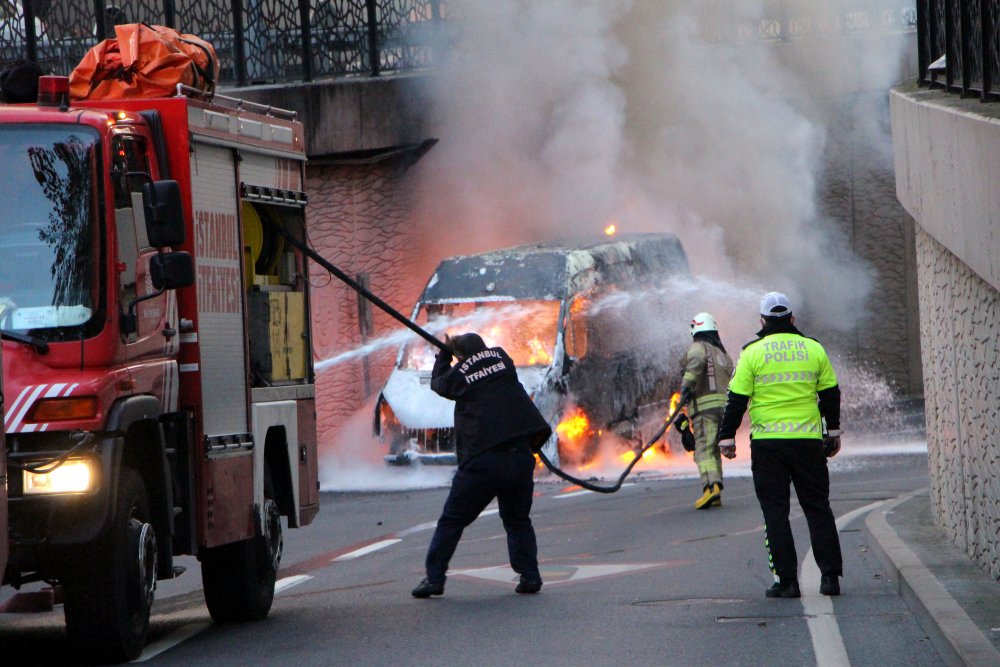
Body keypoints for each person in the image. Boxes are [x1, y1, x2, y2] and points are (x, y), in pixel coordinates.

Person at [717, 292, 843, 599]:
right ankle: (830, 579)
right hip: (808, 444)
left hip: (768, 446)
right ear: (792, 319)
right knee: (818, 508)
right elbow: (830, 394)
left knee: (775, 512)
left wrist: (727, 437)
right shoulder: (813, 349)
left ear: (762, 321)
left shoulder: (752, 352)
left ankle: (787, 582)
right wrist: (833, 432)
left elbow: (737, 400)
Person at [412, 332, 552, 598]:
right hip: (519, 456)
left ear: (460, 357)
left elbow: (440, 384)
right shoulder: (503, 359)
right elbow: (482, 367)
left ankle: (434, 580)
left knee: (452, 521)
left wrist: (443, 356)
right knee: (518, 520)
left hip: (483, 460)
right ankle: (530, 576)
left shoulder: (460, 375)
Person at [678, 312, 734, 509]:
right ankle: (717, 490)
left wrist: (685, 386)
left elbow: (696, 363)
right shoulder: (722, 353)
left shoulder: (698, 348)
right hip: (724, 409)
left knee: (703, 450)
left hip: (705, 410)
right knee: (714, 450)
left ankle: (710, 487)